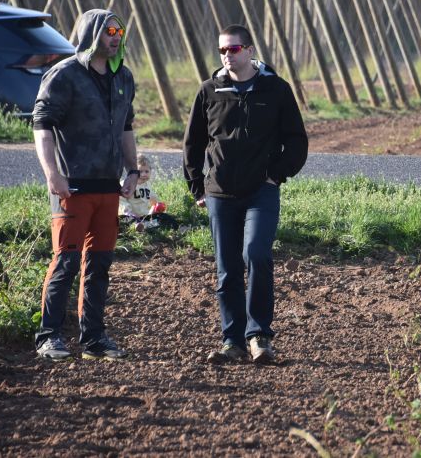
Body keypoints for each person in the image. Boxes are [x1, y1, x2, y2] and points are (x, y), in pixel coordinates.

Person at [183, 25, 308, 365]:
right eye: (222, 50)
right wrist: (197, 187)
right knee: (227, 268)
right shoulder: (210, 91)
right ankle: (232, 341)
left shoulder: (275, 89)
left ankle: (259, 336)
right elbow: (193, 143)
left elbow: (296, 140)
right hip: (219, 194)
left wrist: (276, 175)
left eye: (234, 49)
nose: (227, 55)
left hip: (260, 192)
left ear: (250, 50)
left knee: (256, 254)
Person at [33, 9, 138, 361]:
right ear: (91, 33)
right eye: (109, 31)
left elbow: (126, 127)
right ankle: (48, 336)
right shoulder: (64, 75)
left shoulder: (123, 77)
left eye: (119, 32)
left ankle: (94, 339)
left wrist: (132, 170)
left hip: (108, 188)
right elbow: (42, 125)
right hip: (72, 186)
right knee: (66, 262)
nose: (115, 37)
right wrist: (52, 173)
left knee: (99, 264)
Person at [118, 154, 177, 231]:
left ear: (150, 171)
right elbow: (121, 199)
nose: (144, 174)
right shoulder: (127, 184)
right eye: (140, 171)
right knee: (125, 220)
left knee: (164, 217)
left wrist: (158, 206)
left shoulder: (147, 185)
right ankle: (139, 226)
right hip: (130, 215)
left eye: (146, 171)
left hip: (144, 216)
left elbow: (153, 199)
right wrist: (128, 211)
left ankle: (144, 226)